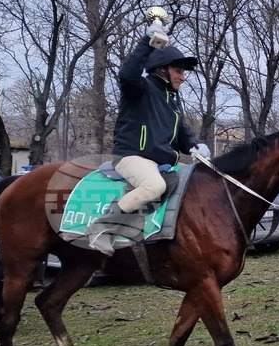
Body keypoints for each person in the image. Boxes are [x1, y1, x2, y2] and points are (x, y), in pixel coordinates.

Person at [86, 22, 208, 256]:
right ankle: (101, 228)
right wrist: (146, 42)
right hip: (132, 156)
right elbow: (126, 74)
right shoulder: (139, 88)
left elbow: (182, 133)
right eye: (179, 71)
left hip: (162, 161)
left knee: (197, 181)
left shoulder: (173, 101)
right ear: (162, 69)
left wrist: (196, 146)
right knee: (154, 186)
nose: (183, 78)